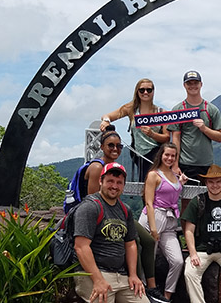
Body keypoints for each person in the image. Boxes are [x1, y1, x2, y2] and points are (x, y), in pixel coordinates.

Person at [82, 128, 162, 302]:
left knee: (142, 241)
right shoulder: (97, 167)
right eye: (111, 145)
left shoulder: (123, 204)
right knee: (140, 241)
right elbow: (92, 199)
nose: (116, 149)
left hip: (116, 214)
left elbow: (130, 243)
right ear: (102, 146)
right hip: (99, 219)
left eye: (119, 146)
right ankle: (147, 283)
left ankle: (145, 283)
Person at [73, 162, 148, 303]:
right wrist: (98, 280)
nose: (114, 186)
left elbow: (131, 243)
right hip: (93, 273)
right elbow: (81, 247)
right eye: (110, 181)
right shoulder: (90, 207)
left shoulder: (125, 210)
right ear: (100, 181)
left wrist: (133, 274)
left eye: (119, 182)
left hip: (121, 275)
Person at [181, 165, 221, 303]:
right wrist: (192, 253)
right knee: (190, 272)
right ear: (206, 183)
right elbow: (189, 230)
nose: (214, 185)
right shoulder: (198, 202)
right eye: (211, 181)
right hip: (202, 249)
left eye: (218, 181)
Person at [138, 143, 187, 302]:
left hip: (170, 220)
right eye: (167, 155)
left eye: (173, 155)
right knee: (147, 257)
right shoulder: (154, 175)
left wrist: (181, 183)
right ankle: (146, 292)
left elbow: (173, 191)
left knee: (178, 260)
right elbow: (149, 202)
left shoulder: (173, 174)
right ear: (161, 155)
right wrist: (153, 227)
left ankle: (166, 296)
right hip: (155, 216)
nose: (170, 158)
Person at [99, 78, 169, 182]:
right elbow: (109, 115)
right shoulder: (131, 109)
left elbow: (166, 137)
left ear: (153, 92)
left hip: (156, 153)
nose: (145, 92)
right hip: (138, 153)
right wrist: (105, 120)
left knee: (151, 181)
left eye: (149, 90)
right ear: (137, 91)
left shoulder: (162, 113)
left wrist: (152, 134)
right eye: (142, 90)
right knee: (144, 181)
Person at [167, 70, 221, 182]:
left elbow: (220, 137)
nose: (193, 86)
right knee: (186, 198)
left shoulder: (211, 110)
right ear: (184, 85)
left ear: (201, 84)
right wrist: (175, 165)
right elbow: (175, 139)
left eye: (195, 83)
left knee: (206, 197)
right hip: (185, 164)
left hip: (207, 164)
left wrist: (204, 128)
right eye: (189, 83)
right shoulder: (178, 110)